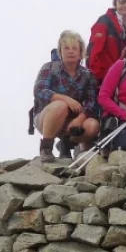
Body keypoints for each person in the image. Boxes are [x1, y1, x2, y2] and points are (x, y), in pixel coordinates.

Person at [32, 30, 101, 162]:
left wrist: (80, 119)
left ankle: (67, 144)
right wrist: (66, 99)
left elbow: (92, 102)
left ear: (81, 52)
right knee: (60, 105)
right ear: (60, 51)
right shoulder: (49, 67)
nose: (70, 51)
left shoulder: (88, 75)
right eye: (66, 48)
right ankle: (46, 149)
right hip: (46, 117)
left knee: (93, 126)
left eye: (74, 48)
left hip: (73, 121)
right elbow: (39, 90)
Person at [87, 0, 126, 82]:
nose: (125, 6)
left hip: (124, 77)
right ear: (115, 3)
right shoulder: (104, 21)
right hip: (104, 76)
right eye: (122, 2)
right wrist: (97, 76)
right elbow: (94, 52)